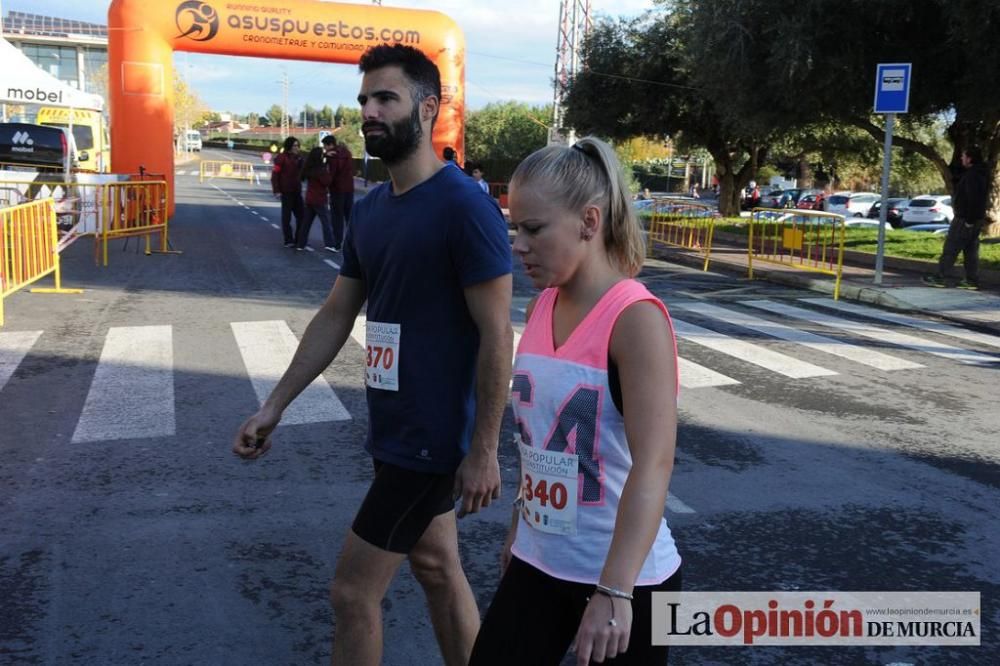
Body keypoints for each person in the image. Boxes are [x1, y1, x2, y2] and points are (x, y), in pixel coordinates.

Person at [232, 43, 513, 666]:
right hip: (394, 428)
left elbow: (497, 334)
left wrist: (485, 450)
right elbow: (337, 313)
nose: (370, 111)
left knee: (352, 593)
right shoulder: (372, 210)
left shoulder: (466, 208)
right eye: (364, 100)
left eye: (386, 97)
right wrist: (274, 405)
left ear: (428, 107)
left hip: (432, 441)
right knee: (438, 568)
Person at [469, 137, 682, 666]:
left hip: (626, 580)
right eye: (514, 226)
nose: (518, 244)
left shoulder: (636, 318)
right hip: (540, 562)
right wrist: (521, 528)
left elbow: (654, 464)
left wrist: (614, 592)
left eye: (534, 229)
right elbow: (542, 443)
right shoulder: (543, 304)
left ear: (589, 221)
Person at [924, 146, 991, 290]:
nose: (961, 158)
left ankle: (941, 277)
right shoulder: (980, 173)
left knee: (951, 248)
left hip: (965, 219)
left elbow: (974, 199)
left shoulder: (973, 175)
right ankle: (971, 280)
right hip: (975, 218)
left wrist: (969, 221)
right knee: (970, 250)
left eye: (964, 156)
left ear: (970, 158)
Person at [295, 146, 337, 252]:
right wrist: (328, 167)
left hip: (309, 198)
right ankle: (330, 244)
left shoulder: (308, 168)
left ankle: (301, 244)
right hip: (320, 199)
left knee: (306, 223)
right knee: (326, 222)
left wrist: (325, 157)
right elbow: (327, 182)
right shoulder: (321, 169)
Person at [271, 136, 304, 247]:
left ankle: (298, 239)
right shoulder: (281, 158)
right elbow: (275, 175)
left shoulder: (300, 158)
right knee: (287, 217)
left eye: (298, 145)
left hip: (297, 191)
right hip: (286, 191)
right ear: (289, 146)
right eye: (294, 145)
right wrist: (276, 190)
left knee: (301, 216)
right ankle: (288, 240)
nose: (297, 148)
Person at [324, 134, 355, 247]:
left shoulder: (332, 156)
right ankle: (354, 242)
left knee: (337, 217)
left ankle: (337, 243)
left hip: (337, 190)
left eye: (325, 146)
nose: (325, 149)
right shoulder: (347, 153)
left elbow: (331, 174)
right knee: (349, 217)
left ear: (330, 145)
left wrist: (326, 185)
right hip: (349, 188)